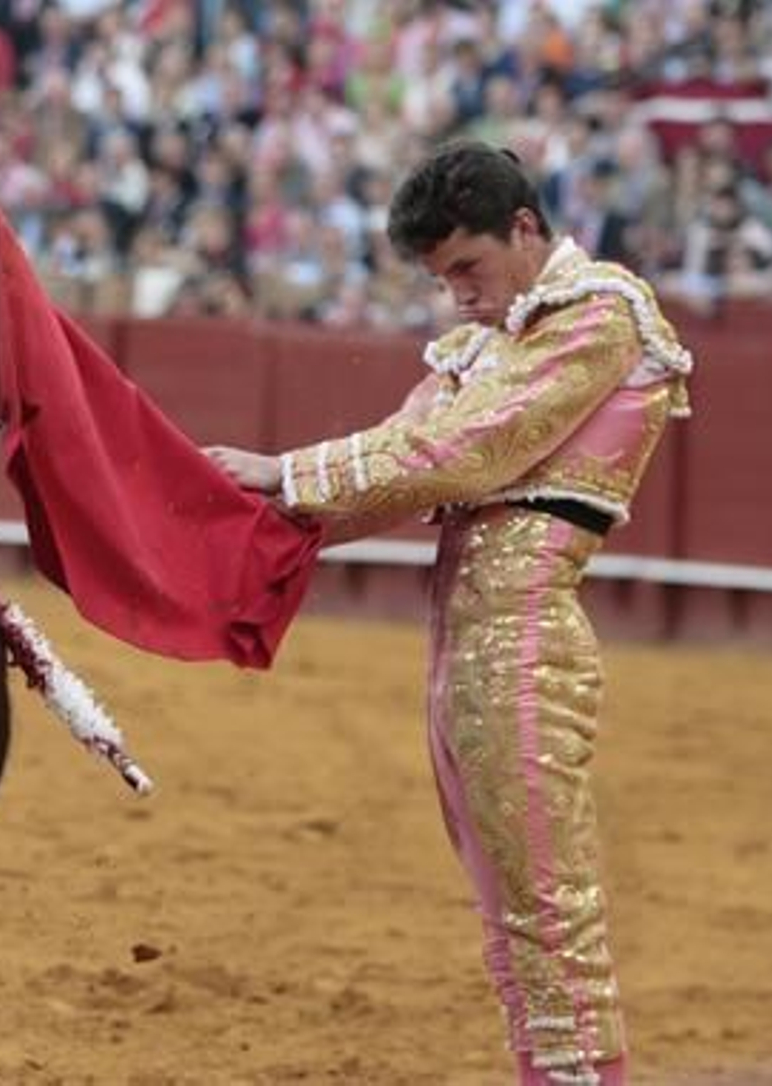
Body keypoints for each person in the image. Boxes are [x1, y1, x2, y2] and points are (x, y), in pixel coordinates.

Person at [206, 140, 692, 1086]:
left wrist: (285, 473)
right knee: (511, 913)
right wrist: (237, 510)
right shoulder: (491, 340)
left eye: (468, 268)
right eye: (442, 279)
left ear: (525, 228)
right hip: (464, 651)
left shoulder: (598, 314)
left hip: (525, 647)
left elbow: (464, 452)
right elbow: (401, 456)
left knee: (549, 909)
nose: (459, 296)